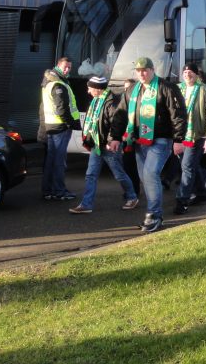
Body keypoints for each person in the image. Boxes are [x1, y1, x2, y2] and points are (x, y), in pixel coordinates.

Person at [109, 56, 187, 233]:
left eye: (145, 70)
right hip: (138, 141)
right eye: (138, 71)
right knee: (146, 178)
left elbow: (179, 114)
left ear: (152, 70)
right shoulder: (132, 91)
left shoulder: (167, 87)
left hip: (160, 139)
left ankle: (154, 215)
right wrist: (114, 137)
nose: (142, 74)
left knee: (151, 174)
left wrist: (178, 139)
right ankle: (155, 211)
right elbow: (120, 114)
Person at [70, 76, 138, 214]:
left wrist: (111, 140)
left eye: (90, 88)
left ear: (97, 89)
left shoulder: (112, 103)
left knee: (118, 173)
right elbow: (94, 123)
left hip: (108, 145)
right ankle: (86, 204)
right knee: (91, 174)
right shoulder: (96, 100)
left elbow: (117, 123)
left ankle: (132, 197)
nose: (88, 91)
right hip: (97, 143)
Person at [173, 63, 206, 214]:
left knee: (187, 167)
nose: (187, 74)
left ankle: (182, 200)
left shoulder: (205, 90)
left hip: (196, 135)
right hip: (180, 136)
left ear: (196, 74)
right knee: (188, 165)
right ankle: (201, 193)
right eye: (185, 72)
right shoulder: (177, 89)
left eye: (190, 72)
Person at [40, 56, 81, 201]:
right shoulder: (58, 85)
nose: (68, 69)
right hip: (60, 127)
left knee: (51, 160)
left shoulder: (49, 82)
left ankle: (48, 190)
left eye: (70, 67)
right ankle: (59, 191)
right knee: (59, 161)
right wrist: (71, 123)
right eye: (65, 67)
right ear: (58, 66)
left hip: (51, 127)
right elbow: (62, 109)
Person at [121, 78, 141, 196]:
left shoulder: (138, 101)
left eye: (129, 88)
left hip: (134, 137)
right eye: (125, 88)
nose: (126, 90)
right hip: (125, 138)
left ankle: (135, 190)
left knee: (133, 166)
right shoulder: (123, 100)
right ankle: (131, 189)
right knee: (127, 165)